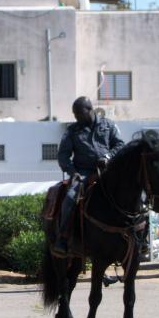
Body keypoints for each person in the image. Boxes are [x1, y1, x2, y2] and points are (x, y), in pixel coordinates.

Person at [55, 96, 124, 256]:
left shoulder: (109, 125)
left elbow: (120, 145)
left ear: (89, 109)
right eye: (74, 114)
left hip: (108, 172)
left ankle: (139, 235)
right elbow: (63, 156)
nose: (76, 117)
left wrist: (107, 157)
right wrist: (74, 173)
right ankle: (63, 237)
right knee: (71, 197)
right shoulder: (72, 131)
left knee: (132, 190)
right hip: (84, 174)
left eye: (78, 113)